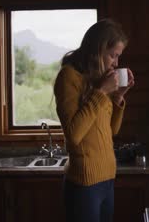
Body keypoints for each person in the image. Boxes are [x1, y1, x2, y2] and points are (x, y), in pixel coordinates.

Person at [54, 19, 135, 222]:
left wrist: (118, 97)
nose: (116, 63)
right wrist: (101, 92)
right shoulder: (68, 77)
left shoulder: (98, 79)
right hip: (84, 183)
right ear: (98, 49)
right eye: (113, 55)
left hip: (107, 180)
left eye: (118, 57)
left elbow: (111, 131)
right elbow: (73, 135)